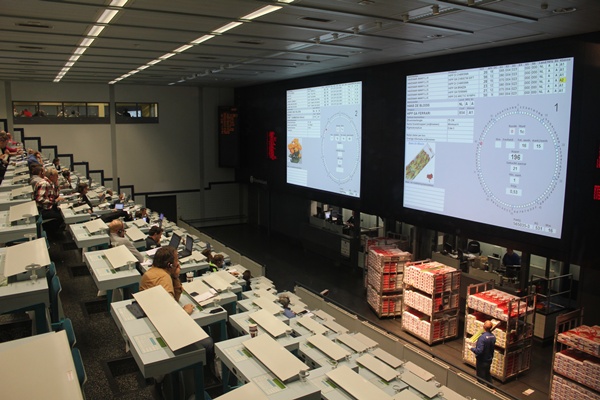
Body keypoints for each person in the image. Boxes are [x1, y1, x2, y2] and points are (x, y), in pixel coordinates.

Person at [139, 246, 215, 382]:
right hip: (164, 330)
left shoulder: (153, 272)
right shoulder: (164, 278)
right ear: (170, 264)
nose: (178, 262)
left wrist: (175, 276)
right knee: (208, 343)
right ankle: (204, 378)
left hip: (152, 320)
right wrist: (186, 311)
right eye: (176, 260)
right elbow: (171, 315)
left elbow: (174, 298)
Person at [34, 168, 65, 233]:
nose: (58, 177)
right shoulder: (44, 184)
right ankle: (53, 234)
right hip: (43, 209)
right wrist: (54, 201)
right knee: (62, 217)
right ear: (51, 176)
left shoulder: (50, 183)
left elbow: (56, 195)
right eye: (56, 176)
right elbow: (39, 199)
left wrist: (56, 185)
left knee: (62, 212)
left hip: (48, 207)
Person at [470, 320, 496, 386]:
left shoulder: (482, 338)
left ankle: (481, 389)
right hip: (489, 359)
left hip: (482, 360)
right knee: (487, 374)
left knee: (480, 377)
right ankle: (491, 388)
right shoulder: (493, 337)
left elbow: (479, 351)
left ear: (484, 326)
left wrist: (471, 348)